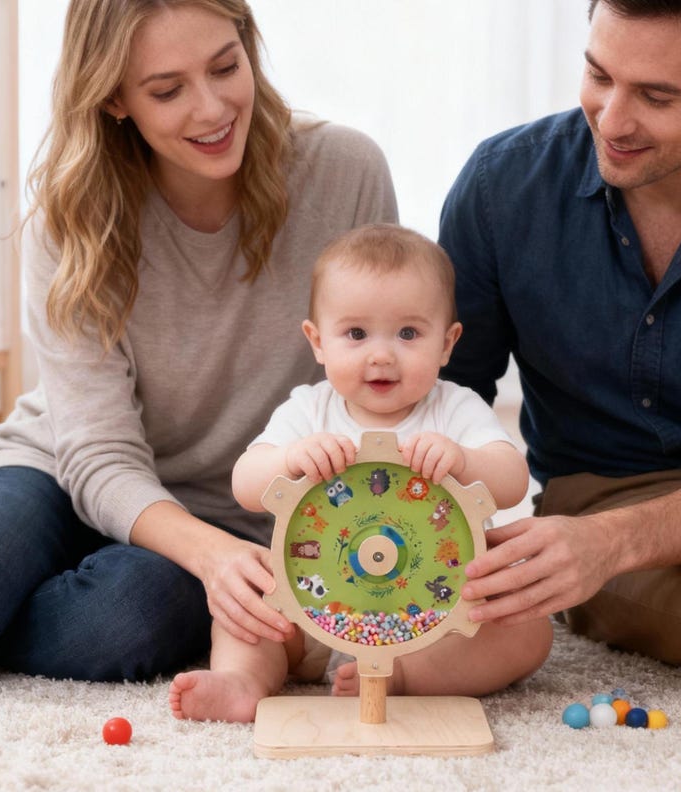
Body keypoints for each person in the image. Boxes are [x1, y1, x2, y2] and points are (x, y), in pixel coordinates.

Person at [0, 0, 397, 682]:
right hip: (63, 472)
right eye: (167, 90)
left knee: (126, 617)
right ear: (115, 98)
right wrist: (207, 555)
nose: (211, 109)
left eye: (224, 67)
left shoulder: (344, 171)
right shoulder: (70, 222)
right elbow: (97, 454)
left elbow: (375, 391)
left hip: (235, 514)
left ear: (248, 47)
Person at [440, 0, 681, 687]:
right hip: (607, 513)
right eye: (599, 75)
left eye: (656, 96)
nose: (613, 119)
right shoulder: (502, 187)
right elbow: (446, 404)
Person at [168, 223, 553, 722]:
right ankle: (244, 681)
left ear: (447, 343)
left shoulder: (456, 409)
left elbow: (512, 480)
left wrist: (465, 460)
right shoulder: (308, 411)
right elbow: (245, 483)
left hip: (431, 620)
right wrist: (290, 459)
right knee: (248, 599)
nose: (381, 354)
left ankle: (406, 677)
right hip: (310, 605)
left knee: (527, 629)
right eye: (355, 334)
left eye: (409, 333)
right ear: (317, 341)